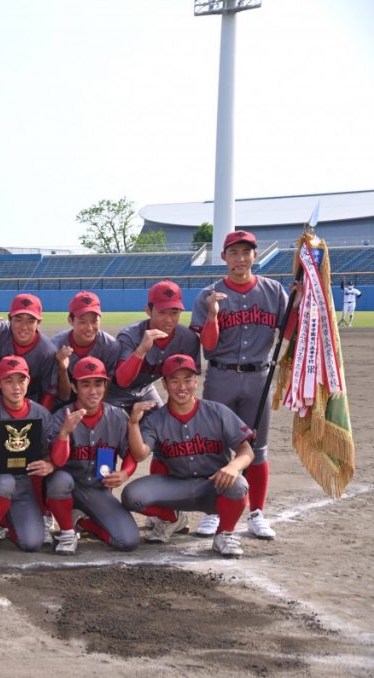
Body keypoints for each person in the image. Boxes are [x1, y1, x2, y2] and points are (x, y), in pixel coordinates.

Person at [190, 230, 293, 540]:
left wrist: (300, 300)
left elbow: (288, 332)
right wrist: (213, 314)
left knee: (257, 449)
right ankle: (214, 511)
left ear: (254, 256)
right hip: (221, 375)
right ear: (223, 257)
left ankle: (257, 513)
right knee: (217, 447)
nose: (240, 258)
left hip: (259, 376)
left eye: (246, 252)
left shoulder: (273, 291)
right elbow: (207, 346)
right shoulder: (208, 293)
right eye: (233, 252)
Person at [121, 355, 255, 558]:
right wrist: (132, 424)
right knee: (132, 496)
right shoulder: (156, 419)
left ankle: (224, 534)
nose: (181, 387)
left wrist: (234, 466)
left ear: (196, 381)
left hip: (213, 486)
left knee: (238, 484)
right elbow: (139, 454)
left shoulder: (217, 412)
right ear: (164, 384)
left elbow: (247, 450)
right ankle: (172, 518)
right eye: (174, 381)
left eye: (187, 379)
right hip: (176, 486)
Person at [44, 357, 151, 555]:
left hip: (97, 489)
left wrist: (125, 473)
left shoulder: (118, 416)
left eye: (98, 383)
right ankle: (67, 531)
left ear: (105, 385)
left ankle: (83, 522)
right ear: (75, 387)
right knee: (59, 479)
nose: (93, 391)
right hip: (67, 487)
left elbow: (130, 454)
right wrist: (65, 433)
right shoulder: (61, 416)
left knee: (128, 541)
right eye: (85, 384)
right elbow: (57, 461)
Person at [0, 357, 52, 557]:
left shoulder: (40, 414)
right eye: (9, 381)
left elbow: (49, 451)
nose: (16, 387)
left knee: (32, 543)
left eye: (21, 380)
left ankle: (6, 519)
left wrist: (50, 463)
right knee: (4, 481)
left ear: (28, 381)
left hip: (24, 486)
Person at [109, 280, 201, 410]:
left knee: (163, 422)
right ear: (148, 310)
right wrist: (141, 351)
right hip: (113, 392)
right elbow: (122, 381)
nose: (169, 320)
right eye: (162, 312)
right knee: (114, 424)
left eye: (174, 313)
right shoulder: (130, 336)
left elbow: (187, 381)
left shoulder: (188, 339)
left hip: (145, 390)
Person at [0, 293, 59, 409]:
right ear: (10, 319)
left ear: (38, 323)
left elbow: (48, 392)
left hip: (28, 402)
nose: (24, 327)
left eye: (30, 321)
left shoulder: (47, 352)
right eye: (18, 320)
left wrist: (39, 418)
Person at [51, 291, 121, 406]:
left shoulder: (110, 346)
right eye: (82, 322)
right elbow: (64, 397)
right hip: (65, 399)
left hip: (96, 397)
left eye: (94, 321)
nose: (89, 328)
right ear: (70, 320)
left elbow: (105, 390)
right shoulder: (56, 345)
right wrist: (62, 370)